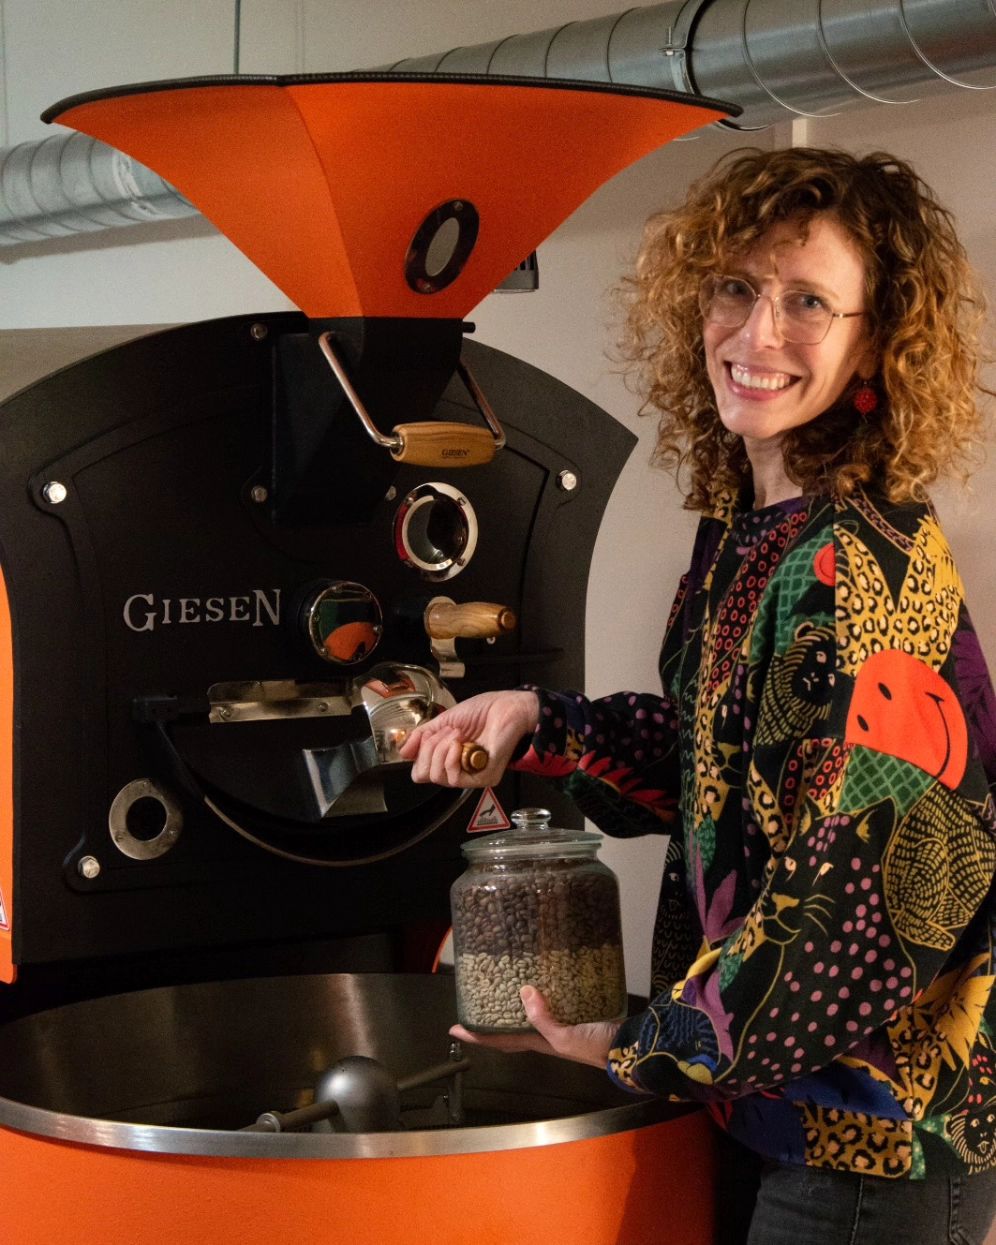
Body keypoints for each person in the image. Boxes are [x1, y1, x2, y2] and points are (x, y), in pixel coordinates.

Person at [400, 146, 996, 1243]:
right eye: (736, 288)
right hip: (766, 1103)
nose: (758, 335)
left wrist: (638, 1044)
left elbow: (860, 904)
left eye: (808, 302)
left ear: (877, 340)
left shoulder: (856, 567)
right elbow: (723, 765)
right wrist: (544, 721)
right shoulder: (751, 531)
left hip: (866, 1142)